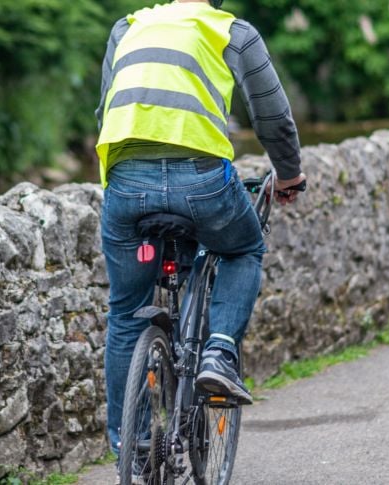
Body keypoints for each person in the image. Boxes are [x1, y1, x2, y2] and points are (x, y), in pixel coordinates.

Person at [96, 0, 306, 457]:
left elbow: (105, 111)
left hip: (126, 185)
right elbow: (273, 119)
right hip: (202, 183)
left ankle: (129, 447)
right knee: (243, 249)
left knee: (125, 311)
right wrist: (288, 175)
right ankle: (219, 352)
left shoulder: (126, 28)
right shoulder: (231, 31)